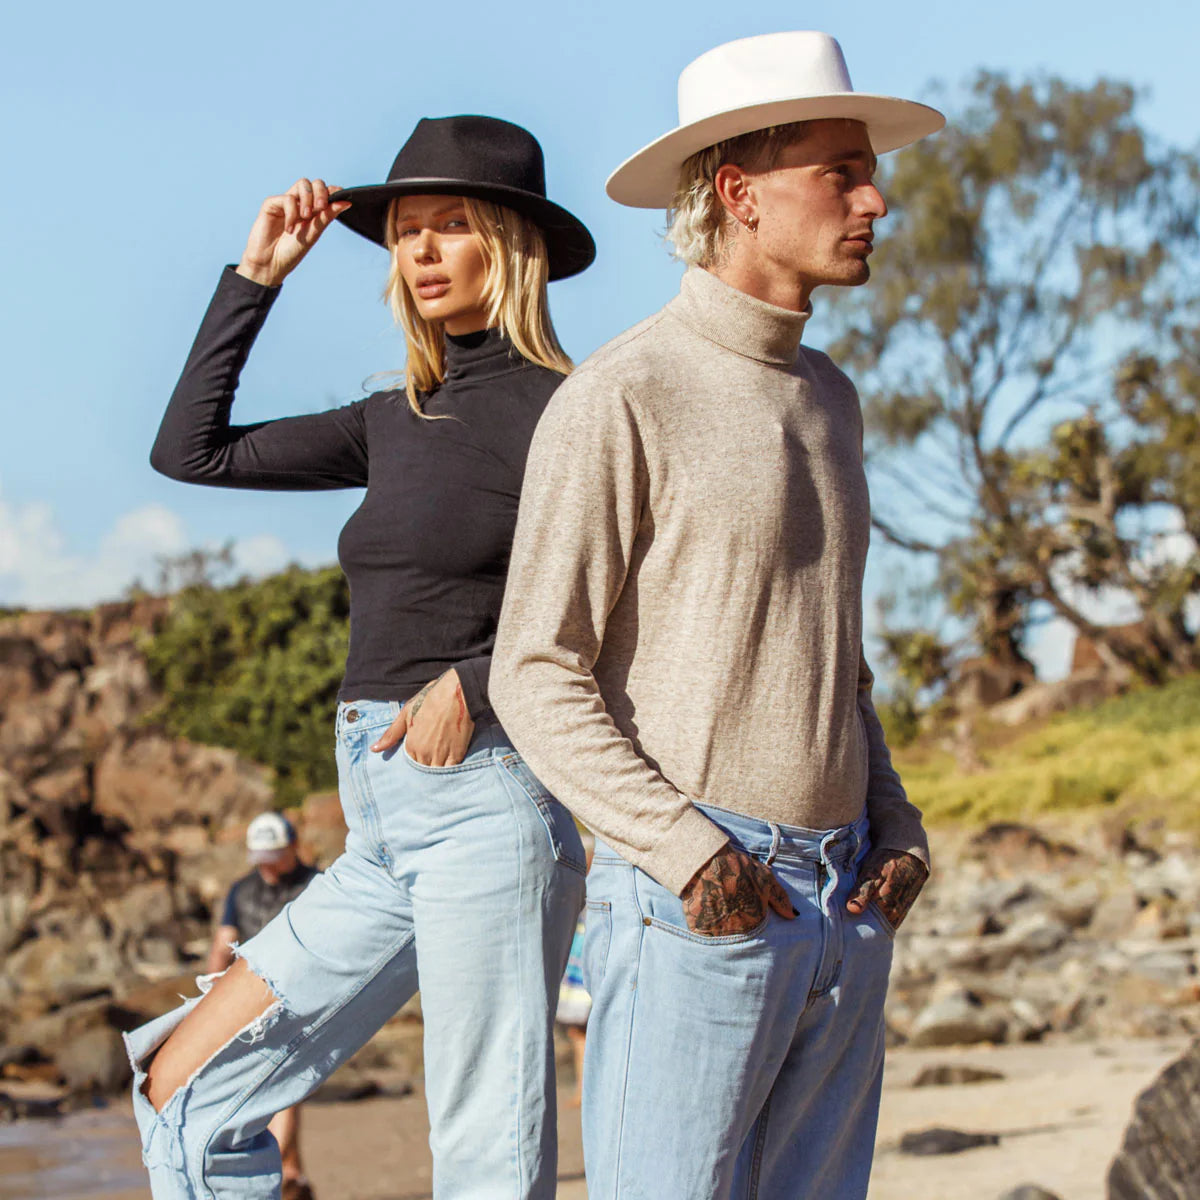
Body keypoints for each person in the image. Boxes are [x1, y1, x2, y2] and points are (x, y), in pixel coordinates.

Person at [490, 32, 943, 1199]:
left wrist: (894, 823)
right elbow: (534, 669)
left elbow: (832, 661)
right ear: (740, 194)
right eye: (841, 174)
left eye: (870, 173)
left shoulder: (833, 399)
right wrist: (690, 854)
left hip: (845, 891)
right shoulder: (623, 393)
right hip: (700, 889)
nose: (874, 201)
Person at [124, 115, 593, 1200]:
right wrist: (257, 278)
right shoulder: (393, 417)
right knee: (183, 1090)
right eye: (404, 231)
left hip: (487, 804)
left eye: (450, 224)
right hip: (379, 828)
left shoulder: (572, 411)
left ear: (511, 244)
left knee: (482, 1160)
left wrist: (476, 682)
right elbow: (190, 451)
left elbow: (624, 596)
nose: (420, 250)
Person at [206, 814, 319, 1200]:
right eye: (262, 858)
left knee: (283, 1082)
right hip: (251, 1001)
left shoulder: (318, 886)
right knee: (278, 1085)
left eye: (274, 857)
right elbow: (223, 945)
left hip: (303, 1001)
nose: (267, 866)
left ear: (293, 847)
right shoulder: (242, 890)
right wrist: (210, 996)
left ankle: (283, 1172)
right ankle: (294, 1179)